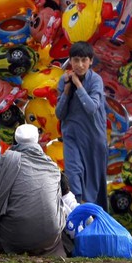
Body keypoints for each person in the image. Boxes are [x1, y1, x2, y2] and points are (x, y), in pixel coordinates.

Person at [0, 123, 67, 256]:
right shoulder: (52, 167)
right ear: (37, 140)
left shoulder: (6, 160)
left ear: (15, 140)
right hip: (49, 239)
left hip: (13, 237)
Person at [55, 41, 108, 210]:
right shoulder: (64, 82)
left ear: (91, 61)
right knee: (73, 176)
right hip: (72, 137)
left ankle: (97, 221)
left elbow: (92, 108)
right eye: (76, 60)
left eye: (84, 60)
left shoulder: (95, 81)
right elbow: (59, 113)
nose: (80, 64)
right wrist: (67, 91)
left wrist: (78, 85)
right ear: (70, 61)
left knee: (94, 185)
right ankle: (77, 218)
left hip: (94, 139)